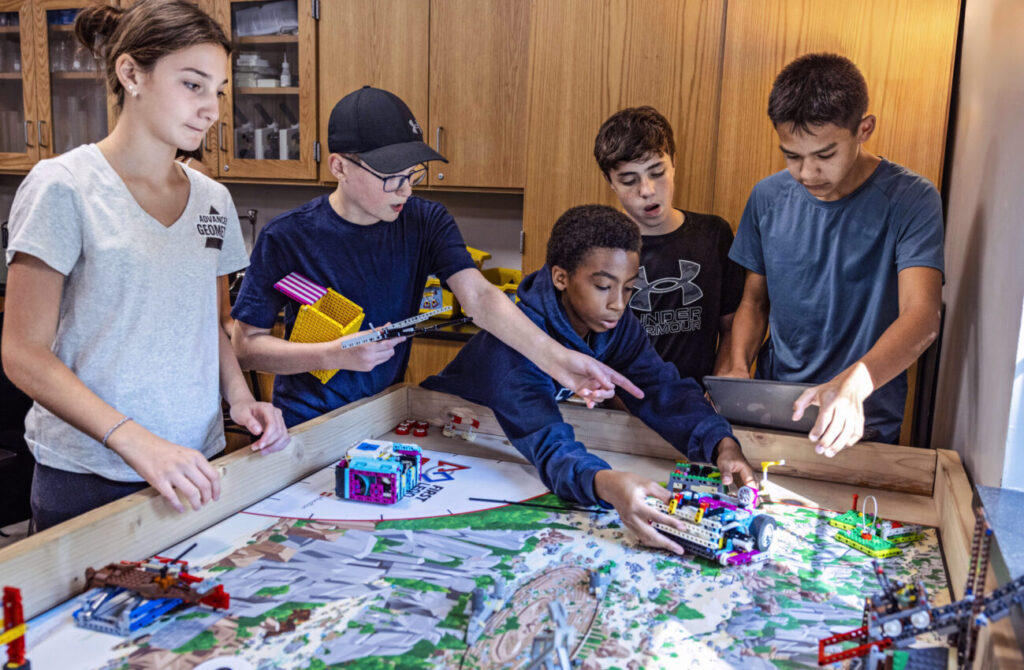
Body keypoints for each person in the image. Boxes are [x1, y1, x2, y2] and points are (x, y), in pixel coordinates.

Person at [1, 0, 289, 532]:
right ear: (131, 73)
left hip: (192, 469)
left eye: (219, 90)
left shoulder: (212, 200)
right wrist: (138, 443)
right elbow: (22, 354)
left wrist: (243, 400)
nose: (212, 109)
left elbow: (212, 325)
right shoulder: (63, 186)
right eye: (193, 84)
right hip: (88, 477)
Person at [231, 86, 642, 428]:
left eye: (413, 175)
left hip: (387, 414)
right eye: (391, 177)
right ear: (339, 166)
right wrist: (331, 354)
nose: (406, 191)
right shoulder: (286, 237)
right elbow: (247, 346)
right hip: (306, 423)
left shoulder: (424, 221)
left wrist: (560, 361)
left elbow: (480, 298)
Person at [422, 205, 756, 554]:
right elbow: (550, 445)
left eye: (629, 289)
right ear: (561, 277)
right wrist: (607, 483)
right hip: (449, 446)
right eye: (602, 287)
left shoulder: (613, 324)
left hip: (513, 441)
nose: (618, 304)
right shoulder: (515, 350)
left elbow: (660, 387)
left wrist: (721, 443)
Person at [722, 53, 943, 455]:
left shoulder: (912, 198)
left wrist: (854, 386)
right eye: (792, 156)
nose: (807, 173)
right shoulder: (766, 197)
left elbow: (923, 316)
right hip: (776, 413)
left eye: (824, 155)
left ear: (864, 129)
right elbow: (754, 302)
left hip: (863, 422)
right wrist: (738, 365)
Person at [594, 106, 744, 382]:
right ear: (610, 182)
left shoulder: (713, 235)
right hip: (622, 409)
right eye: (629, 180)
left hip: (698, 406)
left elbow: (733, 327)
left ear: (674, 162)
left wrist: (718, 388)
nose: (647, 191)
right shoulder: (599, 250)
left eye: (657, 172)